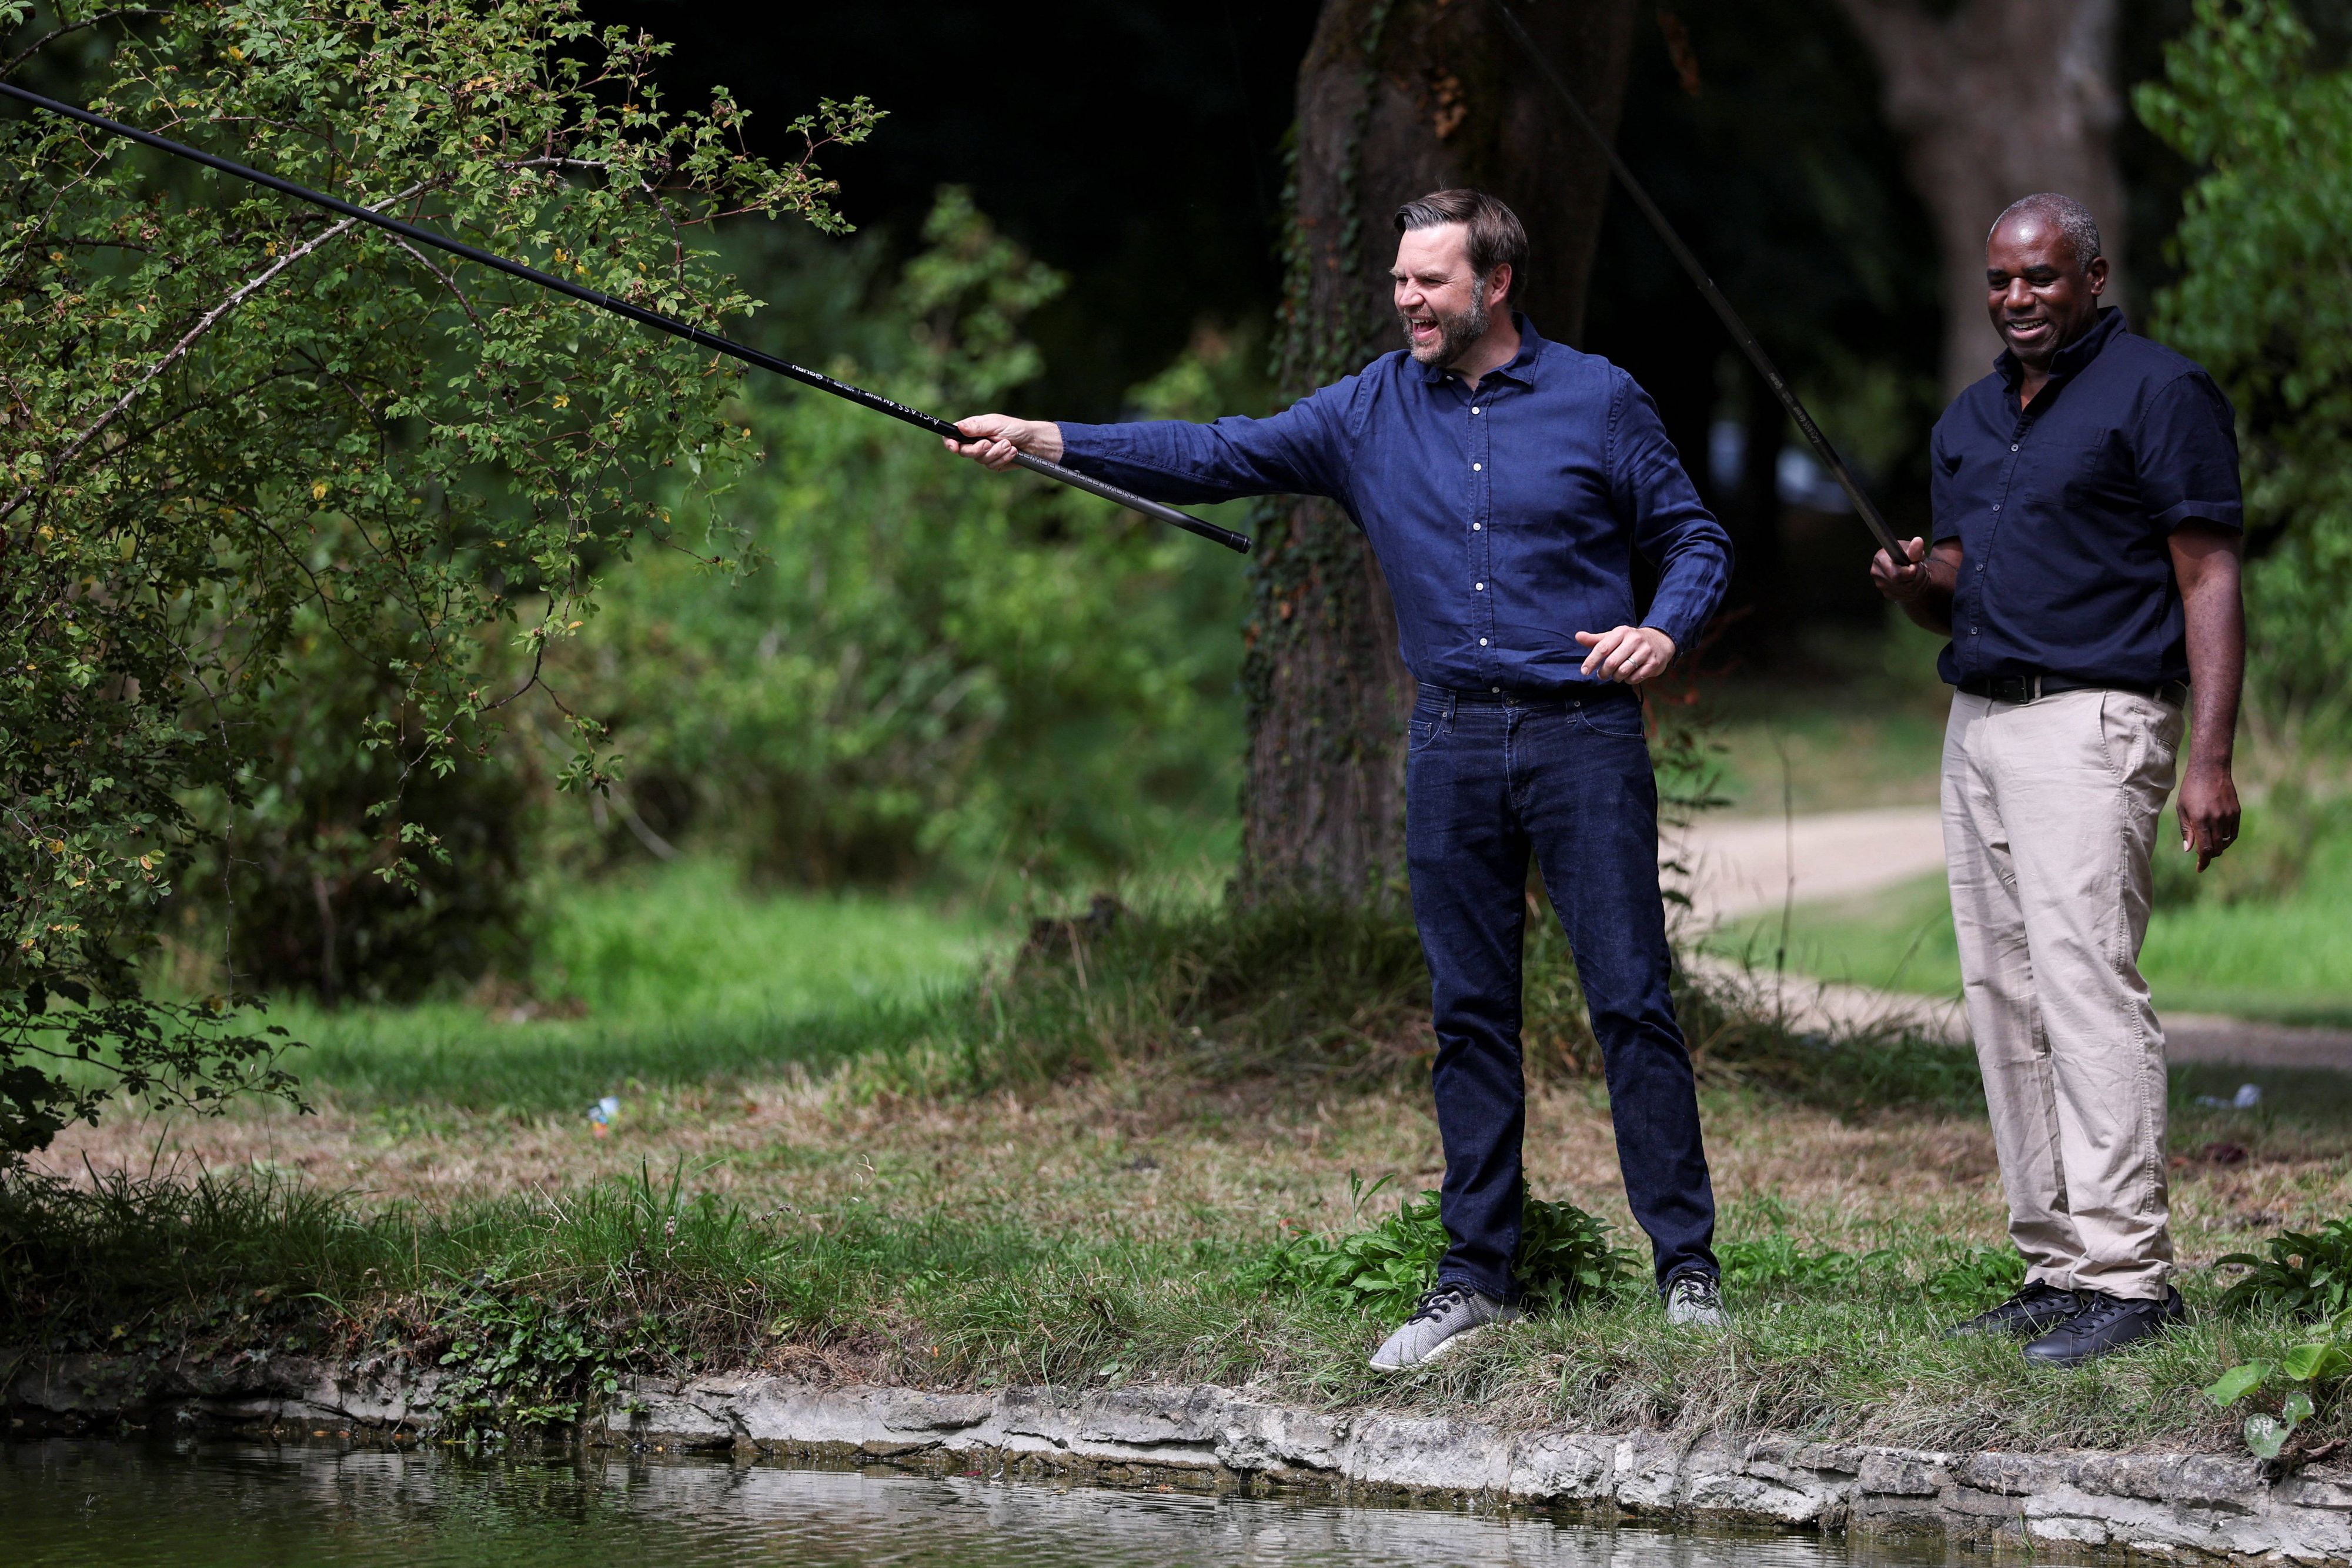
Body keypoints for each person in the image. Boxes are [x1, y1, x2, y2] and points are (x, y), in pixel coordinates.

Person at [948, 189, 1733, 1369]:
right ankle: (1473, 1275)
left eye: (1429, 282)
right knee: (1467, 1013)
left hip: (1581, 741)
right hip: (1452, 742)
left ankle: (1686, 1273)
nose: (1407, 300)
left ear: (1494, 284)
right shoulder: (1366, 409)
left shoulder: (1597, 398)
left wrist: (1662, 631)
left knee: (1627, 999)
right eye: (1399, 282)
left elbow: (1694, 538)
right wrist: (1050, 438)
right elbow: (1214, 452)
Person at [1873, 192, 2246, 1366]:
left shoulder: (2157, 391)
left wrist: (2208, 756)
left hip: (2091, 722)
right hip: (1975, 718)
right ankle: (2055, 1264)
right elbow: (1959, 579)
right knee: (2002, 994)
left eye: (2038, 276)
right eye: (1998, 280)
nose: (2016, 298)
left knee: (2086, 989)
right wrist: (1910, 581)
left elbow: (2206, 574)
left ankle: (2131, 1277)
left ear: (2089, 274)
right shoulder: (1970, 418)